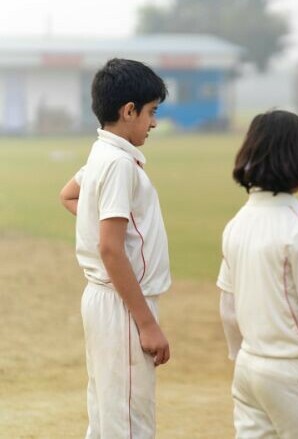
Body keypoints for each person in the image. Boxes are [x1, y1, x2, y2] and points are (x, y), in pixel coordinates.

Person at [58, 58, 171, 438]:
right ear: (128, 111)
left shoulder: (101, 153)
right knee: (129, 423)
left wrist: (98, 228)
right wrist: (148, 323)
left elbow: (69, 195)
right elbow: (110, 249)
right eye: (151, 112)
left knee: (108, 416)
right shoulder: (119, 163)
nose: (153, 122)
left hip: (106, 299)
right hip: (122, 303)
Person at [217, 110, 298, 439]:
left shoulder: (235, 225)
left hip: (248, 366)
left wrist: (243, 358)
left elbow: (228, 309)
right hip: (292, 372)